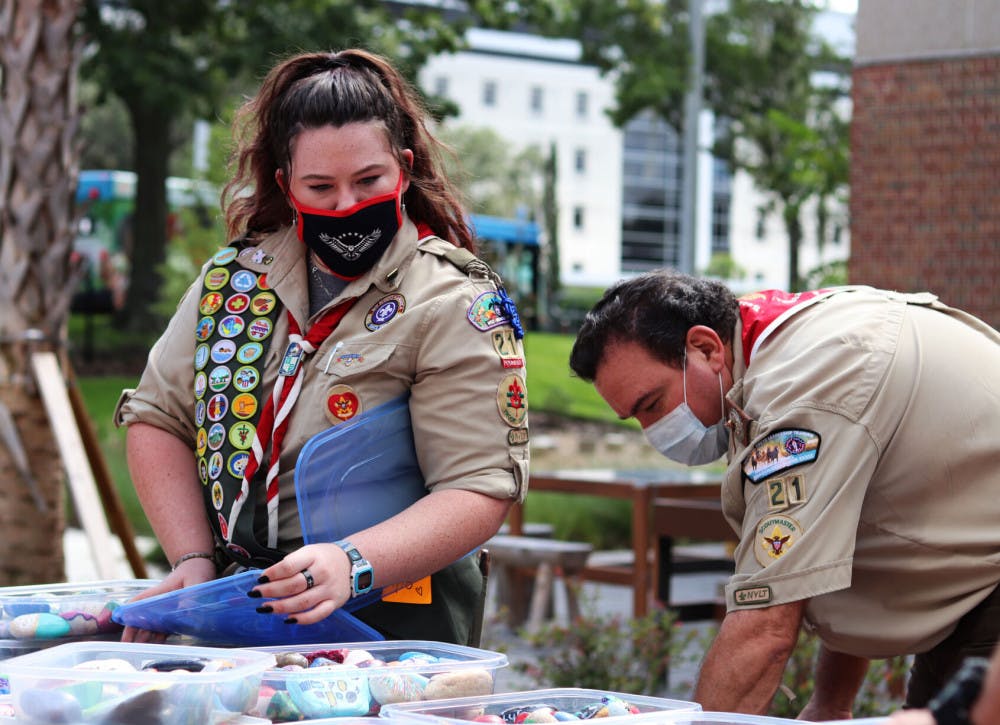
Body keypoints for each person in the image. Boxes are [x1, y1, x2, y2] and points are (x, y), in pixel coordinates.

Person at [114, 49, 530, 645]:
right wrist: (190, 561)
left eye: (368, 181)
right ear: (286, 185)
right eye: (320, 186)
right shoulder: (236, 280)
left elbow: (479, 488)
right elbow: (157, 417)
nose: (345, 206)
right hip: (241, 601)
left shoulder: (453, 300)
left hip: (391, 613)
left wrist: (351, 564)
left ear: (404, 169)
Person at [568, 270, 1000, 719]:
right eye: (634, 419)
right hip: (975, 570)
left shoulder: (802, 391)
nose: (653, 431)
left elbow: (764, 629)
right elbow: (848, 541)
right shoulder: (779, 339)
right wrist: (832, 702)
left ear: (706, 348)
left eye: (652, 404)